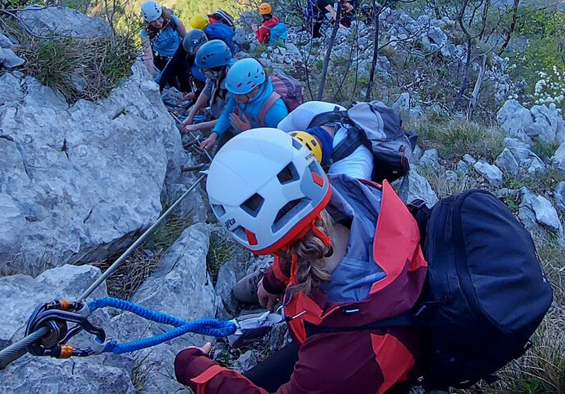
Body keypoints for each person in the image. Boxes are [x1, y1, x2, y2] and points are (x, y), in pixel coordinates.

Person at [175, 128, 426, 394]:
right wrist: (273, 282)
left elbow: (295, 234)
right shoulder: (358, 196)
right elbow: (300, 231)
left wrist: (197, 372)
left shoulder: (334, 362)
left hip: (361, 362)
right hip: (360, 326)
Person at [198, 58, 288, 152]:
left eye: (238, 95)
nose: (234, 97)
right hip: (241, 137)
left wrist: (248, 133)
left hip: (258, 150)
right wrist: (214, 135)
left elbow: (277, 147)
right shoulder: (239, 92)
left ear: (254, 89)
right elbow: (227, 114)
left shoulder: (275, 110)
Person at [279, 101, 374, 180]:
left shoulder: (351, 170)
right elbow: (276, 135)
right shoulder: (305, 112)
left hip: (355, 165)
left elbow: (346, 200)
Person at [180, 40, 234, 135]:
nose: (201, 71)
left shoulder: (233, 86)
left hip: (231, 126)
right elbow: (207, 90)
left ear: (216, 69)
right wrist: (191, 116)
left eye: (204, 69)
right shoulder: (217, 73)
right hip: (219, 115)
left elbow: (228, 118)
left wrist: (197, 126)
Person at [140, 0, 187, 85]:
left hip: (181, 56)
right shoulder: (145, 33)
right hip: (164, 61)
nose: (158, 23)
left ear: (162, 15)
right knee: (172, 83)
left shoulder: (173, 21)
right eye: (153, 21)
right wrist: (149, 77)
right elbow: (148, 56)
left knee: (185, 81)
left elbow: (186, 39)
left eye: (159, 18)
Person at [160, 28, 209, 96]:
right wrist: (160, 84)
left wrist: (197, 95)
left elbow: (213, 83)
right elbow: (173, 63)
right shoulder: (187, 45)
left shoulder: (213, 52)